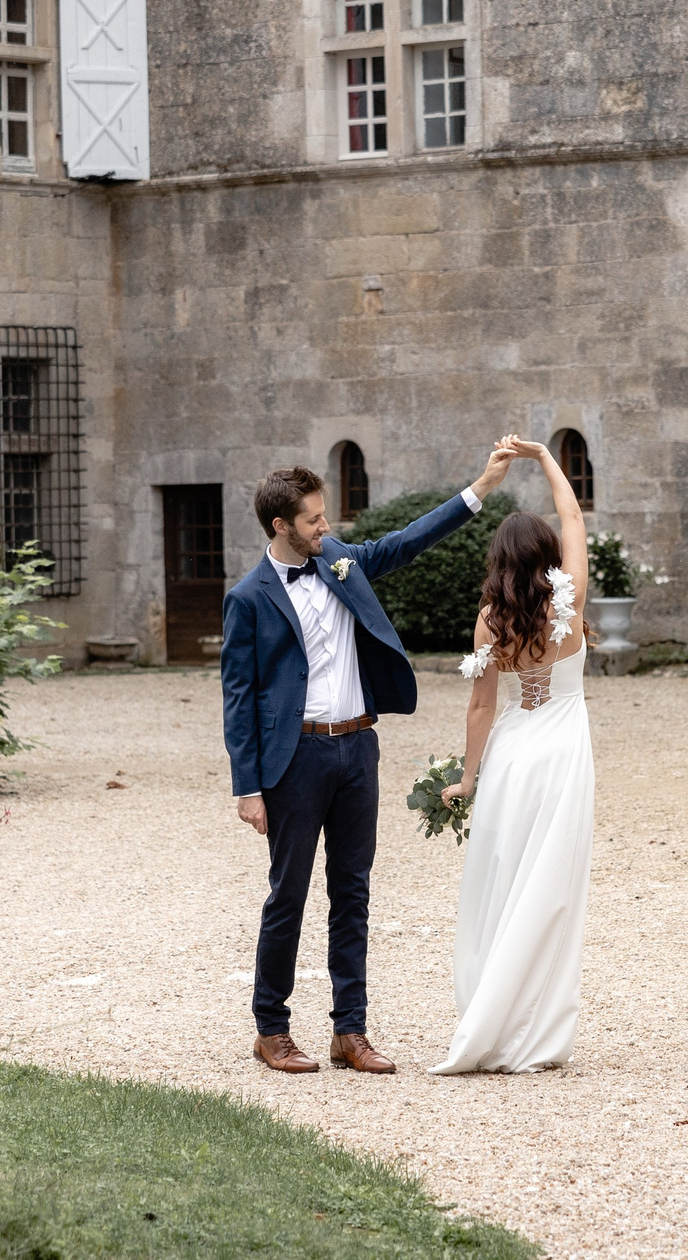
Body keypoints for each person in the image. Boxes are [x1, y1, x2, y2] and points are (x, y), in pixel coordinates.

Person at [222, 442, 518, 1076]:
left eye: (324, 517)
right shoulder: (248, 598)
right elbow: (238, 697)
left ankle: (348, 1031)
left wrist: (481, 488)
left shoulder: (338, 562)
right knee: (288, 896)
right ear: (281, 527)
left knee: (352, 891)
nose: (326, 528)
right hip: (293, 758)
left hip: (358, 748)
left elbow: (406, 543)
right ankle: (271, 1029)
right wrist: (247, 788)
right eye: (313, 521)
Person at [428, 434, 595, 1075]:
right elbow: (573, 514)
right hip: (562, 752)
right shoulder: (568, 603)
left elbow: (479, 708)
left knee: (501, 883)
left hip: (511, 755)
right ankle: (535, 1028)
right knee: (550, 889)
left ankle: (491, 1014)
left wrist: (468, 780)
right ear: (549, 556)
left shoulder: (491, 620)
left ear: (498, 562)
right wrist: (545, 457)